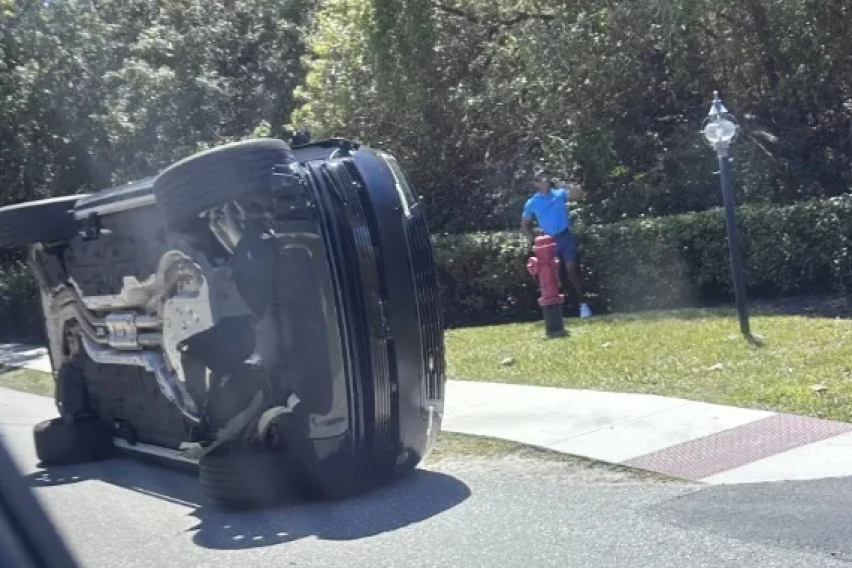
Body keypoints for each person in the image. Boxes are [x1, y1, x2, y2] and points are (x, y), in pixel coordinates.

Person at [520, 170, 592, 318]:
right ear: (536, 184)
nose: (545, 181)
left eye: (546, 178)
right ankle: (561, 309)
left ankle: (583, 305)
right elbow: (524, 226)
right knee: (555, 276)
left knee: (571, 269)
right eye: (541, 179)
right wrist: (535, 242)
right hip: (549, 242)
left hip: (565, 236)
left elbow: (578, 195)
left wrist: (564, 184)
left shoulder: (559, 194)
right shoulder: (532, 202)